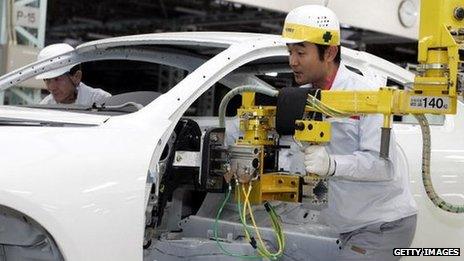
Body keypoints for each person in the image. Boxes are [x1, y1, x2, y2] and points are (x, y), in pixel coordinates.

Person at [281, 5, 418, 260]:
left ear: (330, 52)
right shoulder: (306, 99)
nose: (292, 61)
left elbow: (383, 165)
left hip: (382, 225)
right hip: (346, 225)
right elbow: (295, 159)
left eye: (301, 52)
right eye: (290, 51)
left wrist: (332, 164)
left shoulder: (366, 96)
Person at [36, 43, 111, 106]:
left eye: (57, 79)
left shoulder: (101, 100)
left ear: (77, 77)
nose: (51, 87)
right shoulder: (45, 106)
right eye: (47, 80)